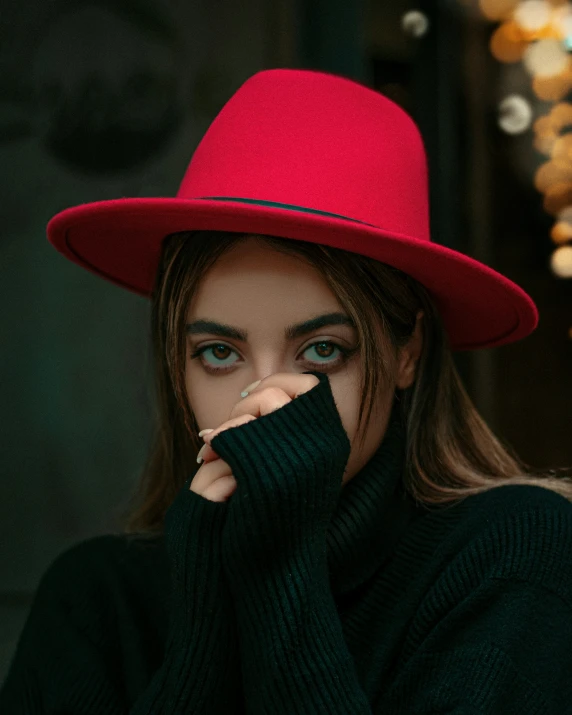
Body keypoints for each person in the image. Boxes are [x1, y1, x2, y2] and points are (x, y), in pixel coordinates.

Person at [2, 68, 572, 715]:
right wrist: (203, 631)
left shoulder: (517, 554)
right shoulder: (95, 599)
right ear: (175, 363)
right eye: (219, 352)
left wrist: (278, 568)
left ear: (407, 351)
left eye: (323, 350)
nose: (264, 395)